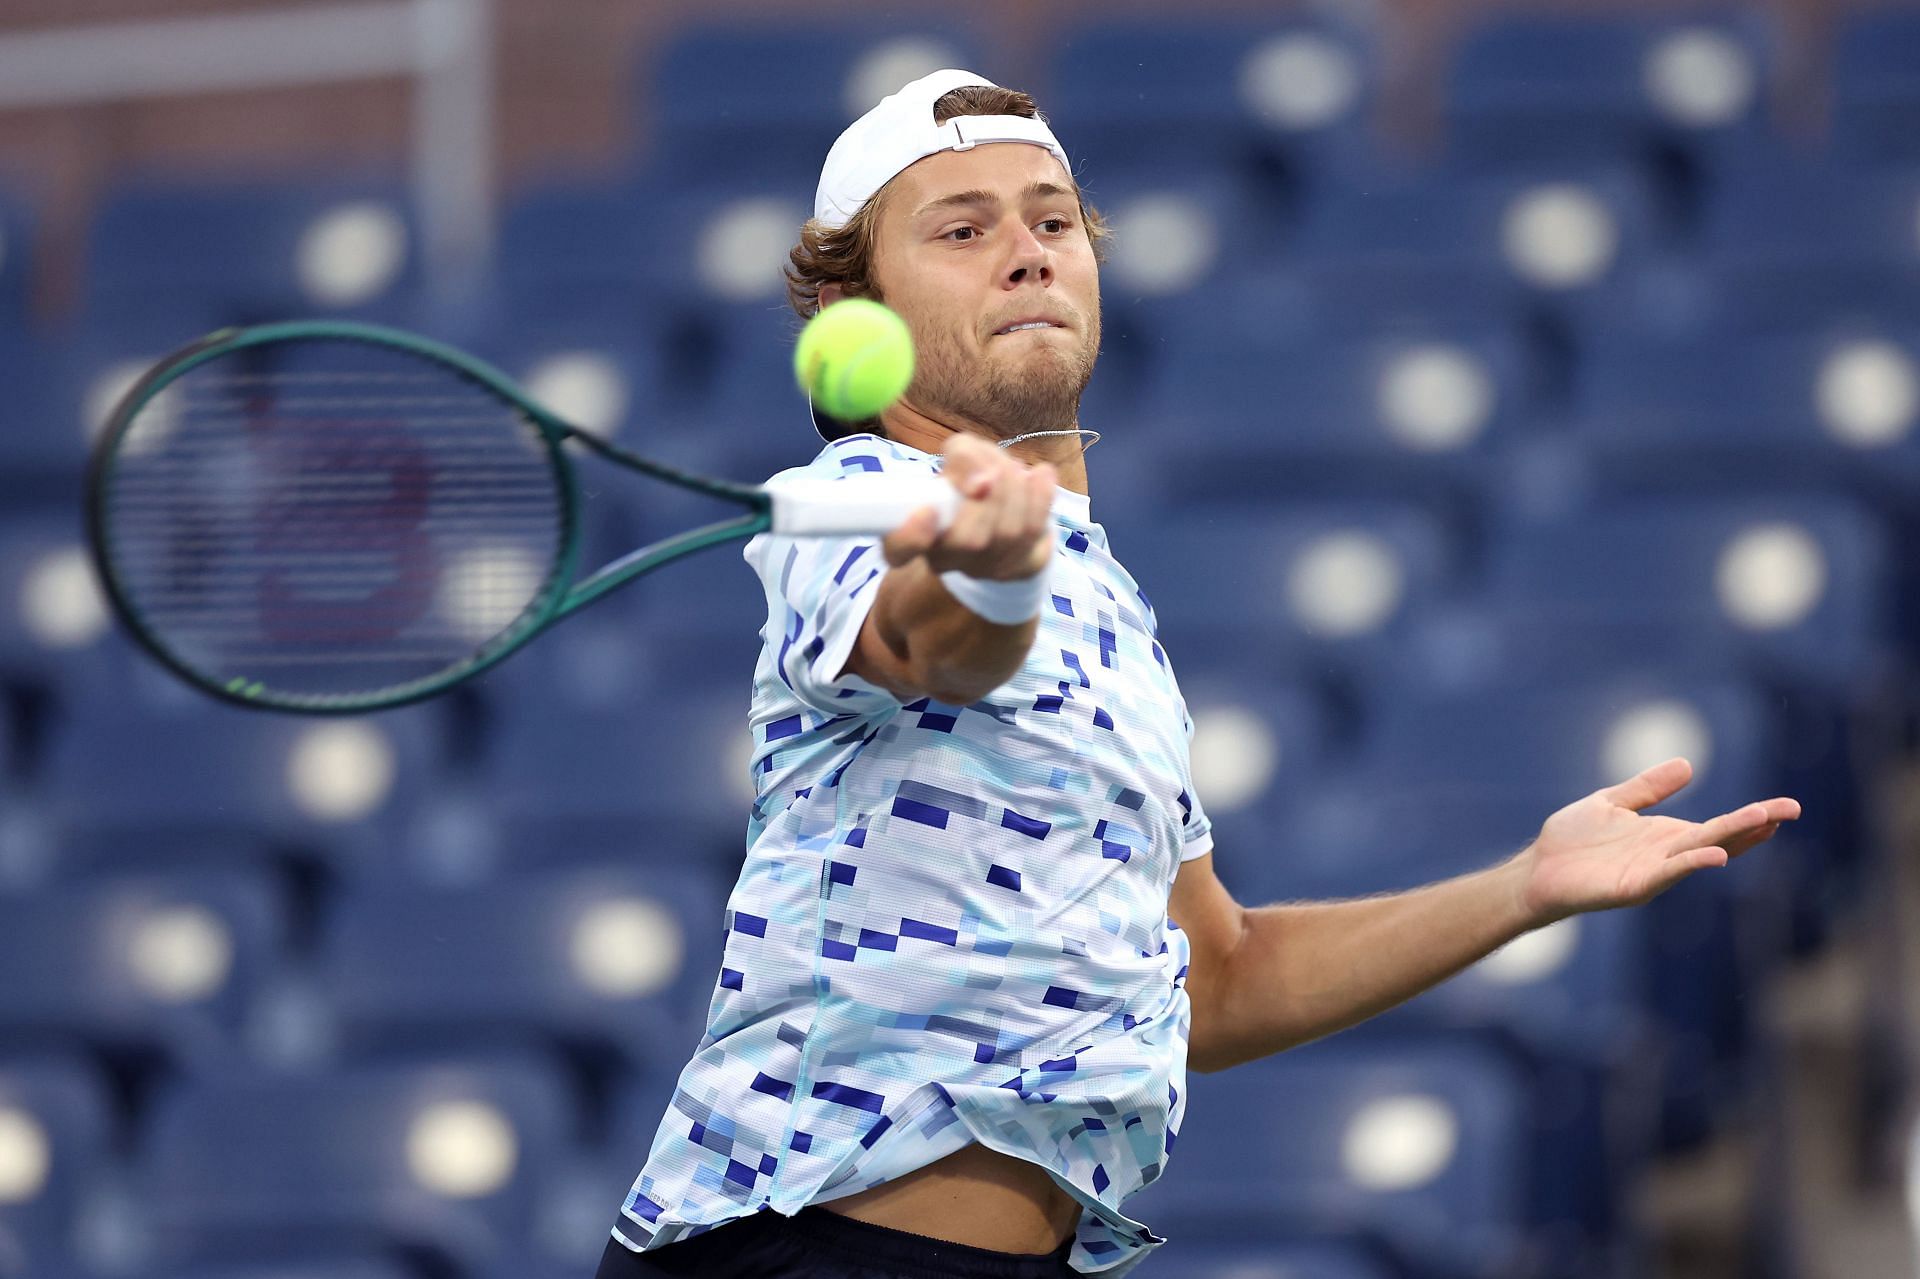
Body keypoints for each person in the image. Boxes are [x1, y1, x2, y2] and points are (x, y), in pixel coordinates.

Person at [597, 69, 1801, 1279]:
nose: (1026, 252)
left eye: (1052, 219)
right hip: (796, 1254)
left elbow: (1217, 980)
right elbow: (933, 642)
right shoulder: (849, 505)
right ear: (856, 304)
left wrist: (1524, 889)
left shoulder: (1113, 610)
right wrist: (995, 579)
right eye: (963, 229)